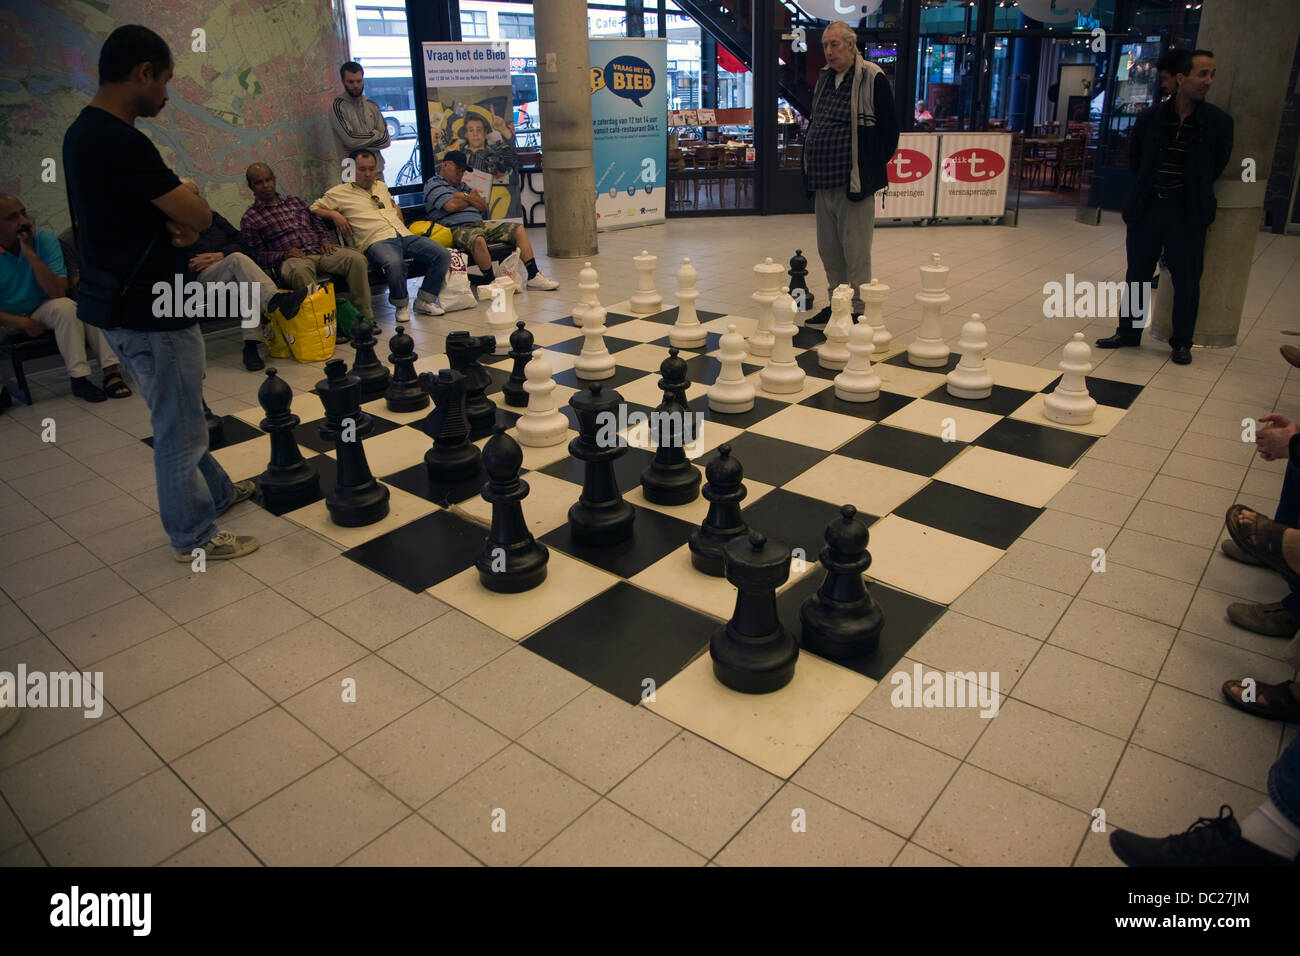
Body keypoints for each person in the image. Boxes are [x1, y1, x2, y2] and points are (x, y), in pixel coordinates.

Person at [63, 24, 259, 562]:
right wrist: (185, 207)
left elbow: (160, 222)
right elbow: (196, 215)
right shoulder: (120, 139)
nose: (168, 95)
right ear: (142, 73)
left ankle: (216, 494)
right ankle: (193, 537)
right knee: (179, 428)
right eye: (166, 80)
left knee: (182, 413)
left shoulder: (81, 133)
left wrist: (179, 223)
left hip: (123, 302)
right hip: (151, 306)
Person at [1095, 50, 1233, 365]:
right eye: (1202, 74)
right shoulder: (1150, 119)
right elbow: (1136, 161)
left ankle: (1182, 341)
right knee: (1138, 274)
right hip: (1148, 209)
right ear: (1181, 78)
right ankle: (1128, 332)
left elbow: (1216, 166)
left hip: (1187, 213)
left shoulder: (1218, 123)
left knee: (1187, 279)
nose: (1208, 81)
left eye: (1212, 74)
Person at [801, 21, 898, 325]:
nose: (829, 51)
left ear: (851, 44)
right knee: (829, 250)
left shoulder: (872, 76)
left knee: (855, 252)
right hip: (823, 181)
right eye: (825, 45)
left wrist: (869, 166)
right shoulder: (824, 79)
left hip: (853, 181)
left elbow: (890, 132)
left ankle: (856, 309)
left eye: (835, 44)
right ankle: (836, 303)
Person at [0, 193, 129, 403]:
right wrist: (21, 322)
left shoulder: (44, 240)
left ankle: (89, 376)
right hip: (5, 317)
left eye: (23, 214)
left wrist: (30, 253)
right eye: (12, 218)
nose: (24, 222)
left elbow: (57, 292)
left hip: (39, 307)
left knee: (68, 306)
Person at [310, 148, 452, 322]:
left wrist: (396, 211)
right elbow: (313, 209)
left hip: (401, 233)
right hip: (375, 240)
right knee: (394, 262)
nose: (368, 174)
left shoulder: (381, 187)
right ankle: (401, 304)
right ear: (351, 169)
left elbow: (390, 207)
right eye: (362, 169)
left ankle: (425, 300)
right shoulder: (339, 193)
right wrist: (334, 214)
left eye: (371, 169)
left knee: (442, 254)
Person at [239, 162, 374, 327]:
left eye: (268, 180)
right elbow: (256, 256)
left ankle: (363, 319)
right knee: (299, 271)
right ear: (251, 187)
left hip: (320, 250)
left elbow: (318, 224)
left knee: (356, 259)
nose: (266, 185)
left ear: (274, 180)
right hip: (293, 259)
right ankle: (325, 325)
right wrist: (283, 255)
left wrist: (325, 240)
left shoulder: (295, 202)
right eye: (259, 182)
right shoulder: (251, 218)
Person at [173, 179, 285, 371]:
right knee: (238, 262)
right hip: (194, 280)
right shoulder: (172, 226)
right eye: (191, 196)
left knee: (244, 277)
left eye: (198, 194)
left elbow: (241, 242)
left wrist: (220, 255)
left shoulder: (212, 218)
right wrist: (193, 264)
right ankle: (275, 300)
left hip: (224, 270)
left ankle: (251, 346)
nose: (197, 200)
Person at [422, 150, 558, 291]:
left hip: (480, 224)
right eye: (458, 170)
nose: (461, 174)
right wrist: (470, 198)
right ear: (446, 165)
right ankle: (491, 280)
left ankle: (533, 275)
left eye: (463, 171)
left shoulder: (462, 187)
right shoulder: (433, 184)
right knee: (478, 240)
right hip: (457, 229)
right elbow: (450, 206)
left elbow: (483, 206)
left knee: (518, 229)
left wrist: (462, 196)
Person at [331, 61, 391, 178]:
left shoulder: (372, 106)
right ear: (343, 82)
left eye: (359, 81)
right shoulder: (338, 106)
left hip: (376, 173)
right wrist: (375, 134)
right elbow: (350, 139)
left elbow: (386, 140)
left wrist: (357, 146)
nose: (356, 85)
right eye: (351, 82)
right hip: (351, 175)